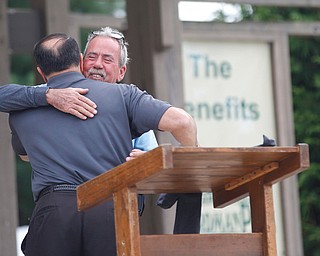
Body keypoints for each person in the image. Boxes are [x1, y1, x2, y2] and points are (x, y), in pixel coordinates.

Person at [7, 32, 198, 256]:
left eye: (107, 59)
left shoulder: (23, 109)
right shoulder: (125, 97)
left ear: (40, 71)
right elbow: (183, 122)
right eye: (93, 57)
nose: (98, 65)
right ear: (79, 60)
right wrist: (189, 165)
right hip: (111, 208)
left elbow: (25, 155)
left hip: (54, 211)